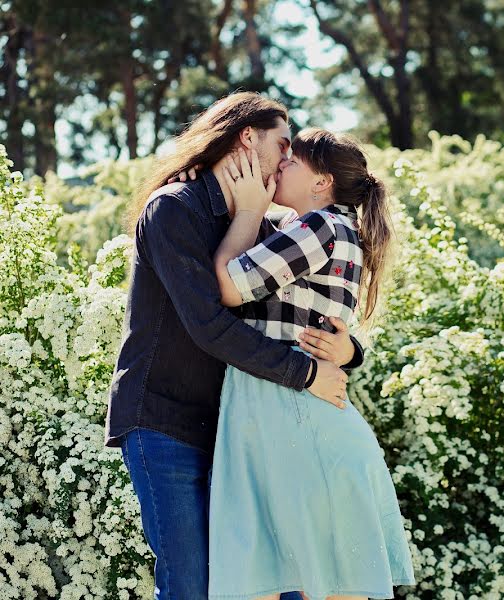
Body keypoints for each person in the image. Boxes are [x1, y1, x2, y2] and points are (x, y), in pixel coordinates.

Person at [105, 92, 365, 600]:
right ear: (248, 138)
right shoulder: (173, 210)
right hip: (165, 424)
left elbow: (308, 303)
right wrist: (307, 374)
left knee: (273, 583)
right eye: (282, 145)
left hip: (236, 431)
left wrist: (349, 351)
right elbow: (208, 324)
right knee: (193, 587)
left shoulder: (257, 223)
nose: (287, 159)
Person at [206, 129, 415, 600]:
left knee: (258, 575)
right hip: (311, 416)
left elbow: (229, 286)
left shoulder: (318, 227)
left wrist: (247, 211)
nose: (279, 167)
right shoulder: (340, 232)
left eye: (291, 162)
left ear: (321, 182)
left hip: (287, 411)